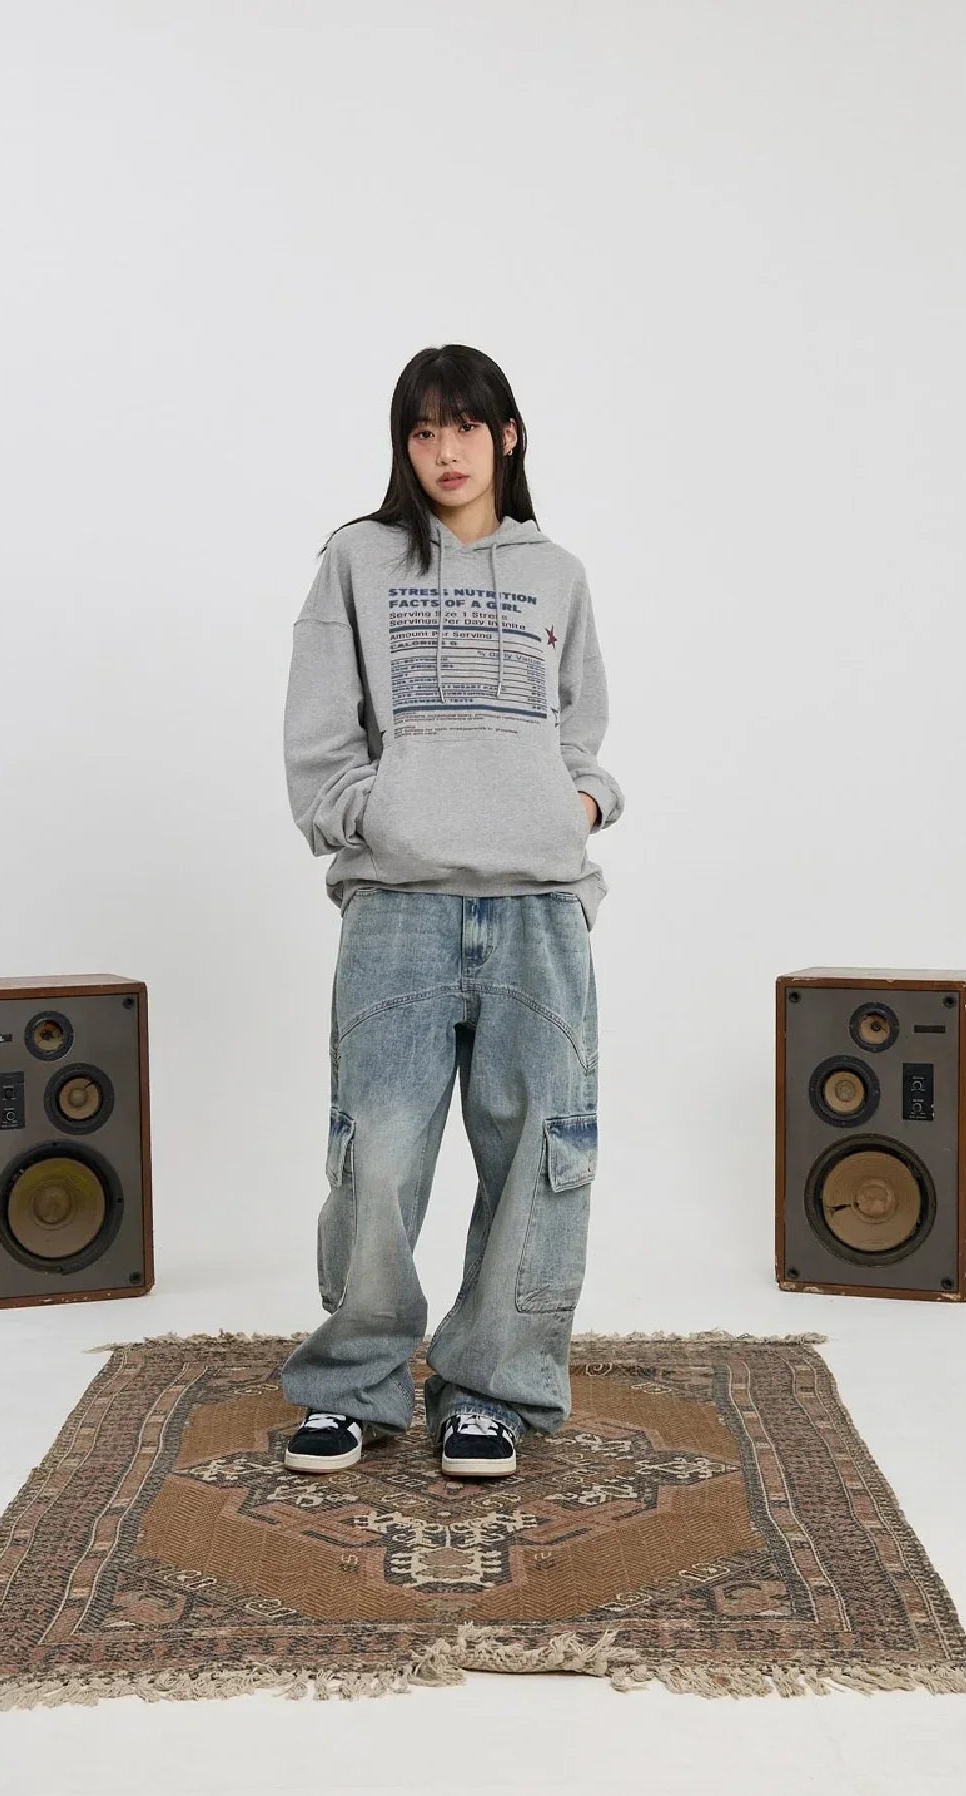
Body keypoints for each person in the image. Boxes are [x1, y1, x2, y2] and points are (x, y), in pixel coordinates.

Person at [278, 343, 625, 1481]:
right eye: (422, 432)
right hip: (400, 908)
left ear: (507, 436)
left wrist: (579, 801)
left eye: (464, 429)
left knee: (538, 1154)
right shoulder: (358, 561)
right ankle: (357, 1384)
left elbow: (581, 733)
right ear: (403, 445)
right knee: (377, 1154)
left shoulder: (557, 572)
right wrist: (367, 816)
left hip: (537, 908)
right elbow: (323, 737)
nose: (444, 452)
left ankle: (493, 1391)